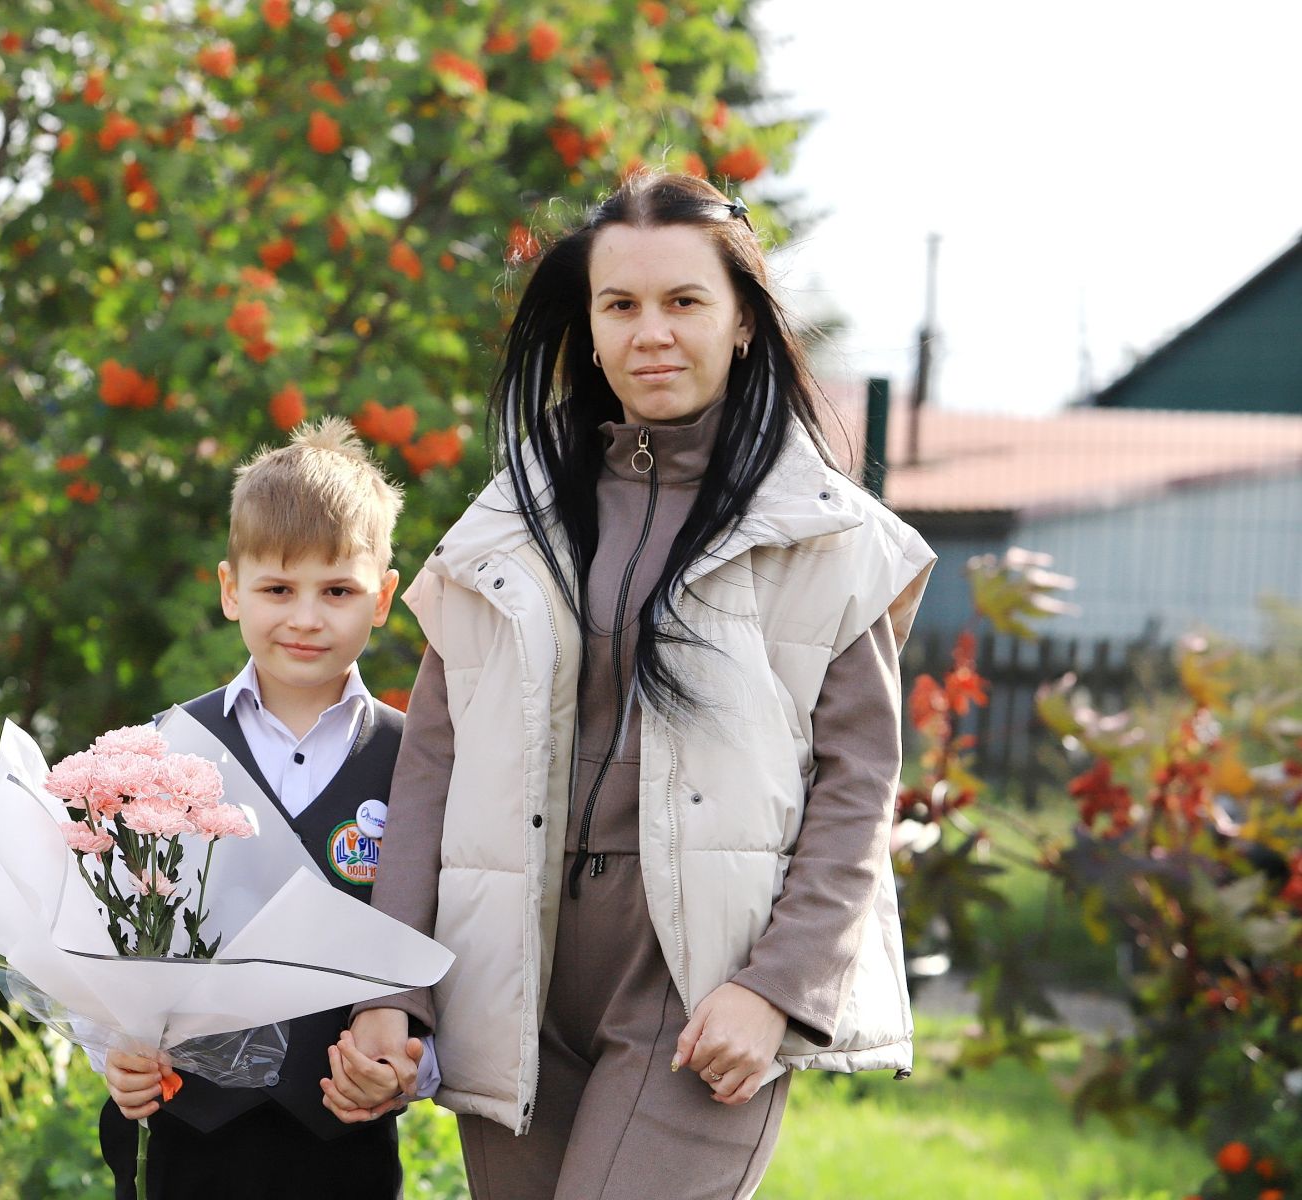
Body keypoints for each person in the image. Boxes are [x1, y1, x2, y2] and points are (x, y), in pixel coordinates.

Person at [330, 171, 936, 1199]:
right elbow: (433, 762)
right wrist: (392, 991)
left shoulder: (829, 540)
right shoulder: (505, 528)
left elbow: (857, 790)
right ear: (592, 331)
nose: (652, 332)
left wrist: (776, 990)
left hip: (697, 993)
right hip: (511, 984)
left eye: (685, 301)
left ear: (742, 322)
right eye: (621, 305)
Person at [96, 417, 437, 1200]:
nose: (307, 618)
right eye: (278, 589)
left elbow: (446, 938)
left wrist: (409, 1068)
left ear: (383, 598)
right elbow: (114, 934)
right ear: (230, 589)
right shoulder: (166, 748)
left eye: (338, 591)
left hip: (344, 1142)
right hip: (190, 1140)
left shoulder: (420, 761)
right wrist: (114, 1050)